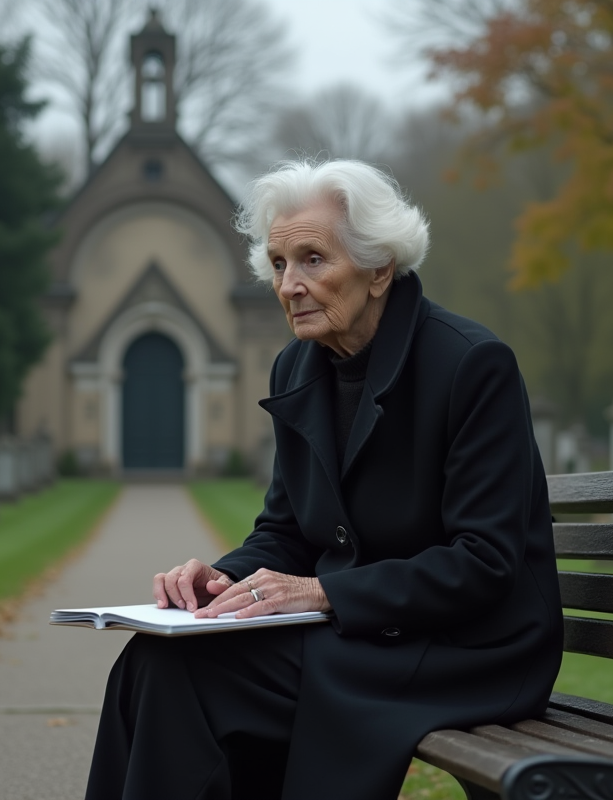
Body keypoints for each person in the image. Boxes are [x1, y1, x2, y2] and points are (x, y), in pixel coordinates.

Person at [85, 159, 562, 800]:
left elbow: (484, 562)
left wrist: (322, 593)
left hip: (469, 648)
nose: (290, 285)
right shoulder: (298, 367)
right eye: (279, 264)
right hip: (362, 631)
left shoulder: (471, 365)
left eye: (313, 260)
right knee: (152, 658)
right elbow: (285, 529)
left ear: (379, 268)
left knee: (191, 674)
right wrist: (223, 581)